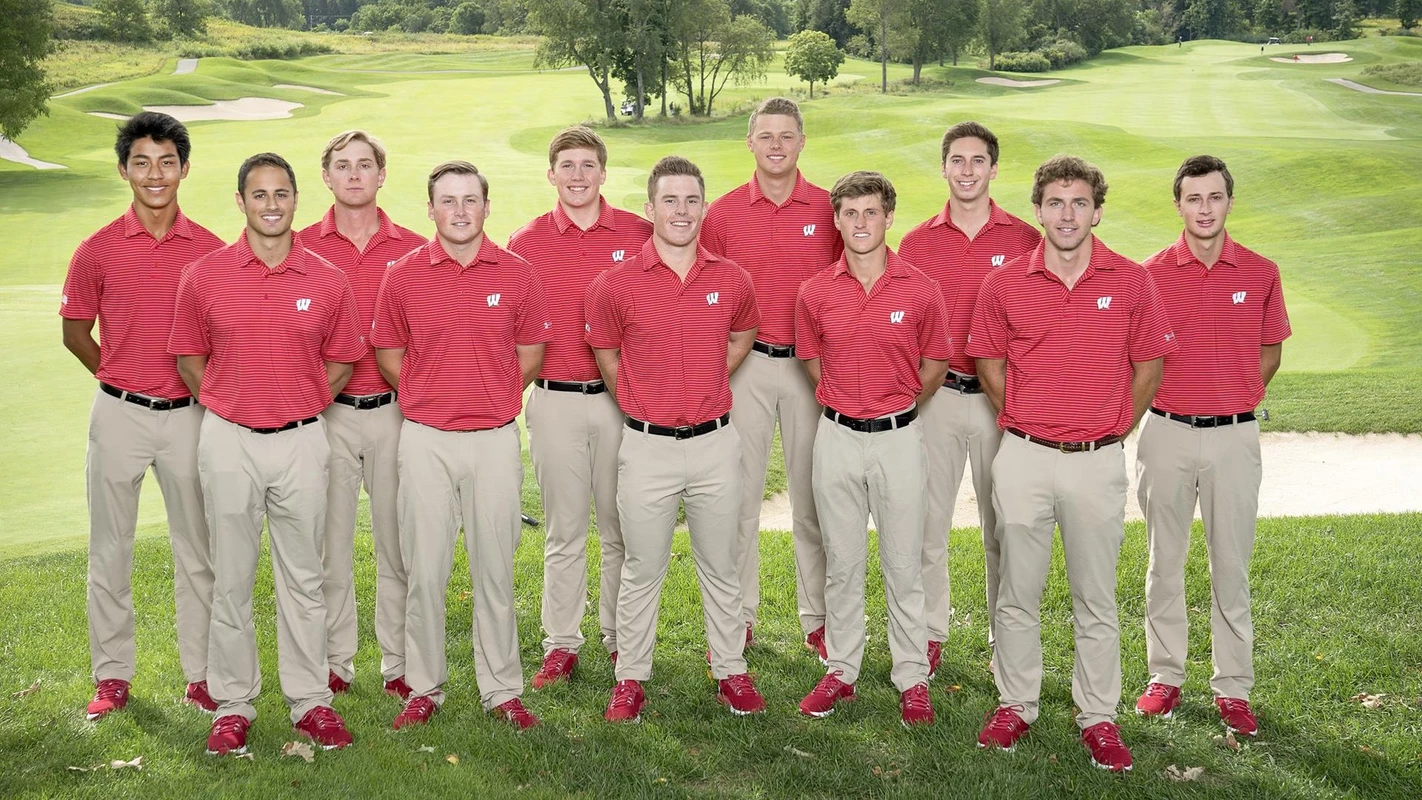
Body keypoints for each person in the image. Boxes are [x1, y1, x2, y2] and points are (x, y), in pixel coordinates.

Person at [968, 155, 1176, 772]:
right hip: (1025, 457)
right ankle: (1016, 704)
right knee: (1017, 591)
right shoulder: (1004, 281)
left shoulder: (1133, 281)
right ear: (1037, 211)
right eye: (1055, 203)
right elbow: (989, 366)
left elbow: (1150, 367)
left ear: (1097, 211)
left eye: (1079, 202)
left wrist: (1114, 427)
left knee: (1095, 597)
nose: (1067, 214)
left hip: (1096, 462)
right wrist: (1031, 421)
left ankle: (1099, 716)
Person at [169, 153, 366, 755]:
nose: (271, 205)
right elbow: (187, 358)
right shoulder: (204, 276)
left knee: (304, 577)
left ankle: (310, 701)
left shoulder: (327, 277)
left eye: (281, 194)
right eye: (259, 195)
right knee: (231, 577)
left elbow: (343, 357)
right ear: (241, 201)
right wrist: (230, 405)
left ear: (296, 199)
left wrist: (305, 400)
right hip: (228, 440)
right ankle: (233, 704)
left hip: (304, 439)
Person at [586, 156, 767, 722]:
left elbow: (744, 334)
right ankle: (631, 678)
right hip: (647, 447)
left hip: (715, 443)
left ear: (704, 208)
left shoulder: (732, 278)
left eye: (691, 200)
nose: (681, 211)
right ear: (650, 208)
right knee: (643, 567)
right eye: (670, 200)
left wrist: (711, 377)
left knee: (721, 562)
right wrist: (643, 401)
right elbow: (608, 356)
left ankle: (731, 672)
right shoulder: (613, 284)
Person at [373, 161, 550, 731]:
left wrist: (490, 397)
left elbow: (530, 353)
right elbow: (389, 354)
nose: (459, 210)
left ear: (486, 207)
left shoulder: (518, 273)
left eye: (470, 199)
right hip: (424, 440)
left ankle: (501, 688)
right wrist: (430, 398)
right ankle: (425, 686)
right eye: (447, 201)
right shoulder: (401, 275)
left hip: (494, 440)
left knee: (494, 569)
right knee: (425, 568)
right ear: (430, 209)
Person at [61, 112, 225, 721]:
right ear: (124, 169)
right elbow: (75, 332)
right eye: (141, 163)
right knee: (110, 550)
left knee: (198, 550)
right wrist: (119, 379)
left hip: (190, 417)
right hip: (119, 415)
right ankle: (112, 677)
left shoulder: (212, 250)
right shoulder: (96, 249)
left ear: (184, 168)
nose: (154, 175)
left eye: (165, 162)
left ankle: (203, 675)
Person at [1133, 155, 1290, 738]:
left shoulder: (1261, 270)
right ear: (1178, 204)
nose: (1205, 208)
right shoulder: (1147, 273)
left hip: (1234, 437)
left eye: (1215, 197)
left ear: (1229, 201)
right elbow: (1137, 357)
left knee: (1231, 564)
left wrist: (1230, 396)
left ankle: (1233, 687)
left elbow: (1269, 354)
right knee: (1163, 562)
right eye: (1194, 198)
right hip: (1167, 432)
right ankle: (1165, 678)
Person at [793, 171, 950, 727]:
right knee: (842, 561)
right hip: (835, 437)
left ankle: (912, 676)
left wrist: (899, 401)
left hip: (900, 437)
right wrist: (845, 402)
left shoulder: (920, 288)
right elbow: (812, 362)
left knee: (904, 562)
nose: (861, 223)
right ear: (836, 221)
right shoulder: (814, 292)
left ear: (889, 217)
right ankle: (842, 670)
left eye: (871, 213)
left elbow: (935, 365)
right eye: (850, 214)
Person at [507, 126, 653, 687]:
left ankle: (621, 641)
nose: (577, 175)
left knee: (620, 530)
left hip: (622, 402)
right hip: (556, 401)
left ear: (603, 173)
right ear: (550, 174)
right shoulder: (527, 242)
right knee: (565, 531)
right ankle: (562, 645)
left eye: (587, 164)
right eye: (566, 165)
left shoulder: (640, 234)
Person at [898, 121, 1041, 677]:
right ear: (943, 167)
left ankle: (1004, 635)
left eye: (977, 160)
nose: (966, 170)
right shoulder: (916, 242)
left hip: (1000, 397)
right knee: (926, 524)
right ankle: (932, 633)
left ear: (993, 169)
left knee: (1003, 524)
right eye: (957, 160)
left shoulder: (1026, 239)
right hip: (937, 395)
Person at [702, 97, 841, 658]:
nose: (777, 145)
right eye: (766, 136)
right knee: (740, 499)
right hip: (748, 365)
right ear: (750, 143)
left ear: (802, 141)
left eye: (787, 136)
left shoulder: (831, 207)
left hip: (811, 366)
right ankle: (738, 617)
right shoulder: (725, 212)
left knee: (814, 499)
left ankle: (821, 620)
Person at [297, 130, 426, 700]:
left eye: (365, 165)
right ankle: (335, 661)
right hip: (327, 414)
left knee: (400, 543)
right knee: (332, 544)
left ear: (381, 175)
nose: (354, 175)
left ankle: (398, 662)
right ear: (326, 177)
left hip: (398, 412)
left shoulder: (420, 248)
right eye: (342, 166)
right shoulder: (296, 245)